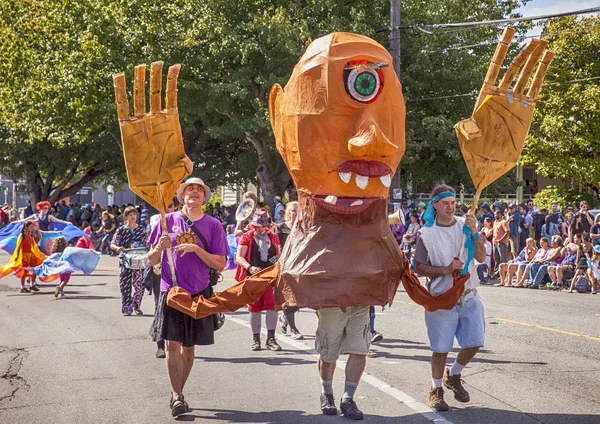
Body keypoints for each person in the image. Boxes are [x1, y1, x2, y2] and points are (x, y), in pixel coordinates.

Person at [148, 177, 229, 417]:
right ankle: (177, 396)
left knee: (189, 348)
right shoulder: (166, 221)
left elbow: (221, 264)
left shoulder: (213, 225)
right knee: (173, 344)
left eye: (199, 190)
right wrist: (159, 248)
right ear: (182, 195)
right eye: (189, 189)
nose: (193, 192)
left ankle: (178, 392)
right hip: (171, 291)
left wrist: (196, 249)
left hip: (199, 292)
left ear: (204, 198)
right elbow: (151, 260)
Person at [414, 184, 486, 412]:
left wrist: (475, 234)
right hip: (441, 296)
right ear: (435, 205)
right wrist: (445, 269)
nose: (450, 207)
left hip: (468, 292)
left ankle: (453, 374)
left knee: (475, 342)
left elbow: (482, 257)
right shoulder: (427, 233)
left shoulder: (466, 227)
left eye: (453, 203)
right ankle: (435, 389)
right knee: (441, 348)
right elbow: (420, 267)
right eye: (445, 203)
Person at [235, 209, 283, 351]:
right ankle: (256, 340)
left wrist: (278, 261)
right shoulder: (247, 237)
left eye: (263, 226)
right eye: (258, 226)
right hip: (253, 277)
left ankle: (271, 339)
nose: (261, 229)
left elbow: (278, 254)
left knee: (272, 306)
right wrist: (249, 267)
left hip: (270, 276)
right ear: (253, 226)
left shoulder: (273, 237)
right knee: (254, 307)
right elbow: (239, 257)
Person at [147, 197, 181, 359]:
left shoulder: (182, 221)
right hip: (160, 273)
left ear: (176, 206)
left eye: (169, 206)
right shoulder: (158, 220)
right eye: (163, 207)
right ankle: (160, 344)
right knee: (159, 306)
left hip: (180, 273)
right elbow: (152, 250)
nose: (166, 210)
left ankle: (179, 342)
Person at [111, 206, 148, 316]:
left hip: (139, 260)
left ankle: (136, 305)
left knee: (140, 284)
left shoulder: (141, 229)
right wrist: (118, 248)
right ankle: (127, 307)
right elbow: (113, 243)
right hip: (125, 260)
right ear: (125, 217)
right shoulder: (121, 230)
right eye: (130, 215)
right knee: (125, 284)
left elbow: (147, 243)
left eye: (134, 214)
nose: (133, 216)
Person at [275, 201, 304, 340]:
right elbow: (277, 247)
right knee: (289, 296)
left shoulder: (305, 227)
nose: (295, 213)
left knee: (301, 297)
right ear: (287, 212)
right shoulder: (280, 227)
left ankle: (284, 317)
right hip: (285, 266)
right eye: (293, 210)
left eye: (298, 210)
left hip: (300, 266)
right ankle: (294, 329)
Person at [0, 220, 46, 293]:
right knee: (24, 272)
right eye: (31, 227)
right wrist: (17, 256)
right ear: (26, 227)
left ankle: (32, 284)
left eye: (32, 227)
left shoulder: (31, 235)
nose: (32, 228)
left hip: (30, 255)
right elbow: (18, 247)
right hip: (24, 256)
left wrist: (39, 254)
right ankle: (22, 287)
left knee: (35, 269)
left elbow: (34, 246)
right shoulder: (22, 235)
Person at [491, 210, 509, 277]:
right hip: (495, 243)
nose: (496, 216)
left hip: (502, 243)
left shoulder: (503, 222)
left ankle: (506, 274)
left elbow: (507, 232)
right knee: (496, 259)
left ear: (502, 215)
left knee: (503, 259)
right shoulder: (495, 222)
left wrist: (501, 240)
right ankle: (497, 274)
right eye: (495, 214)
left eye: (498, 214)